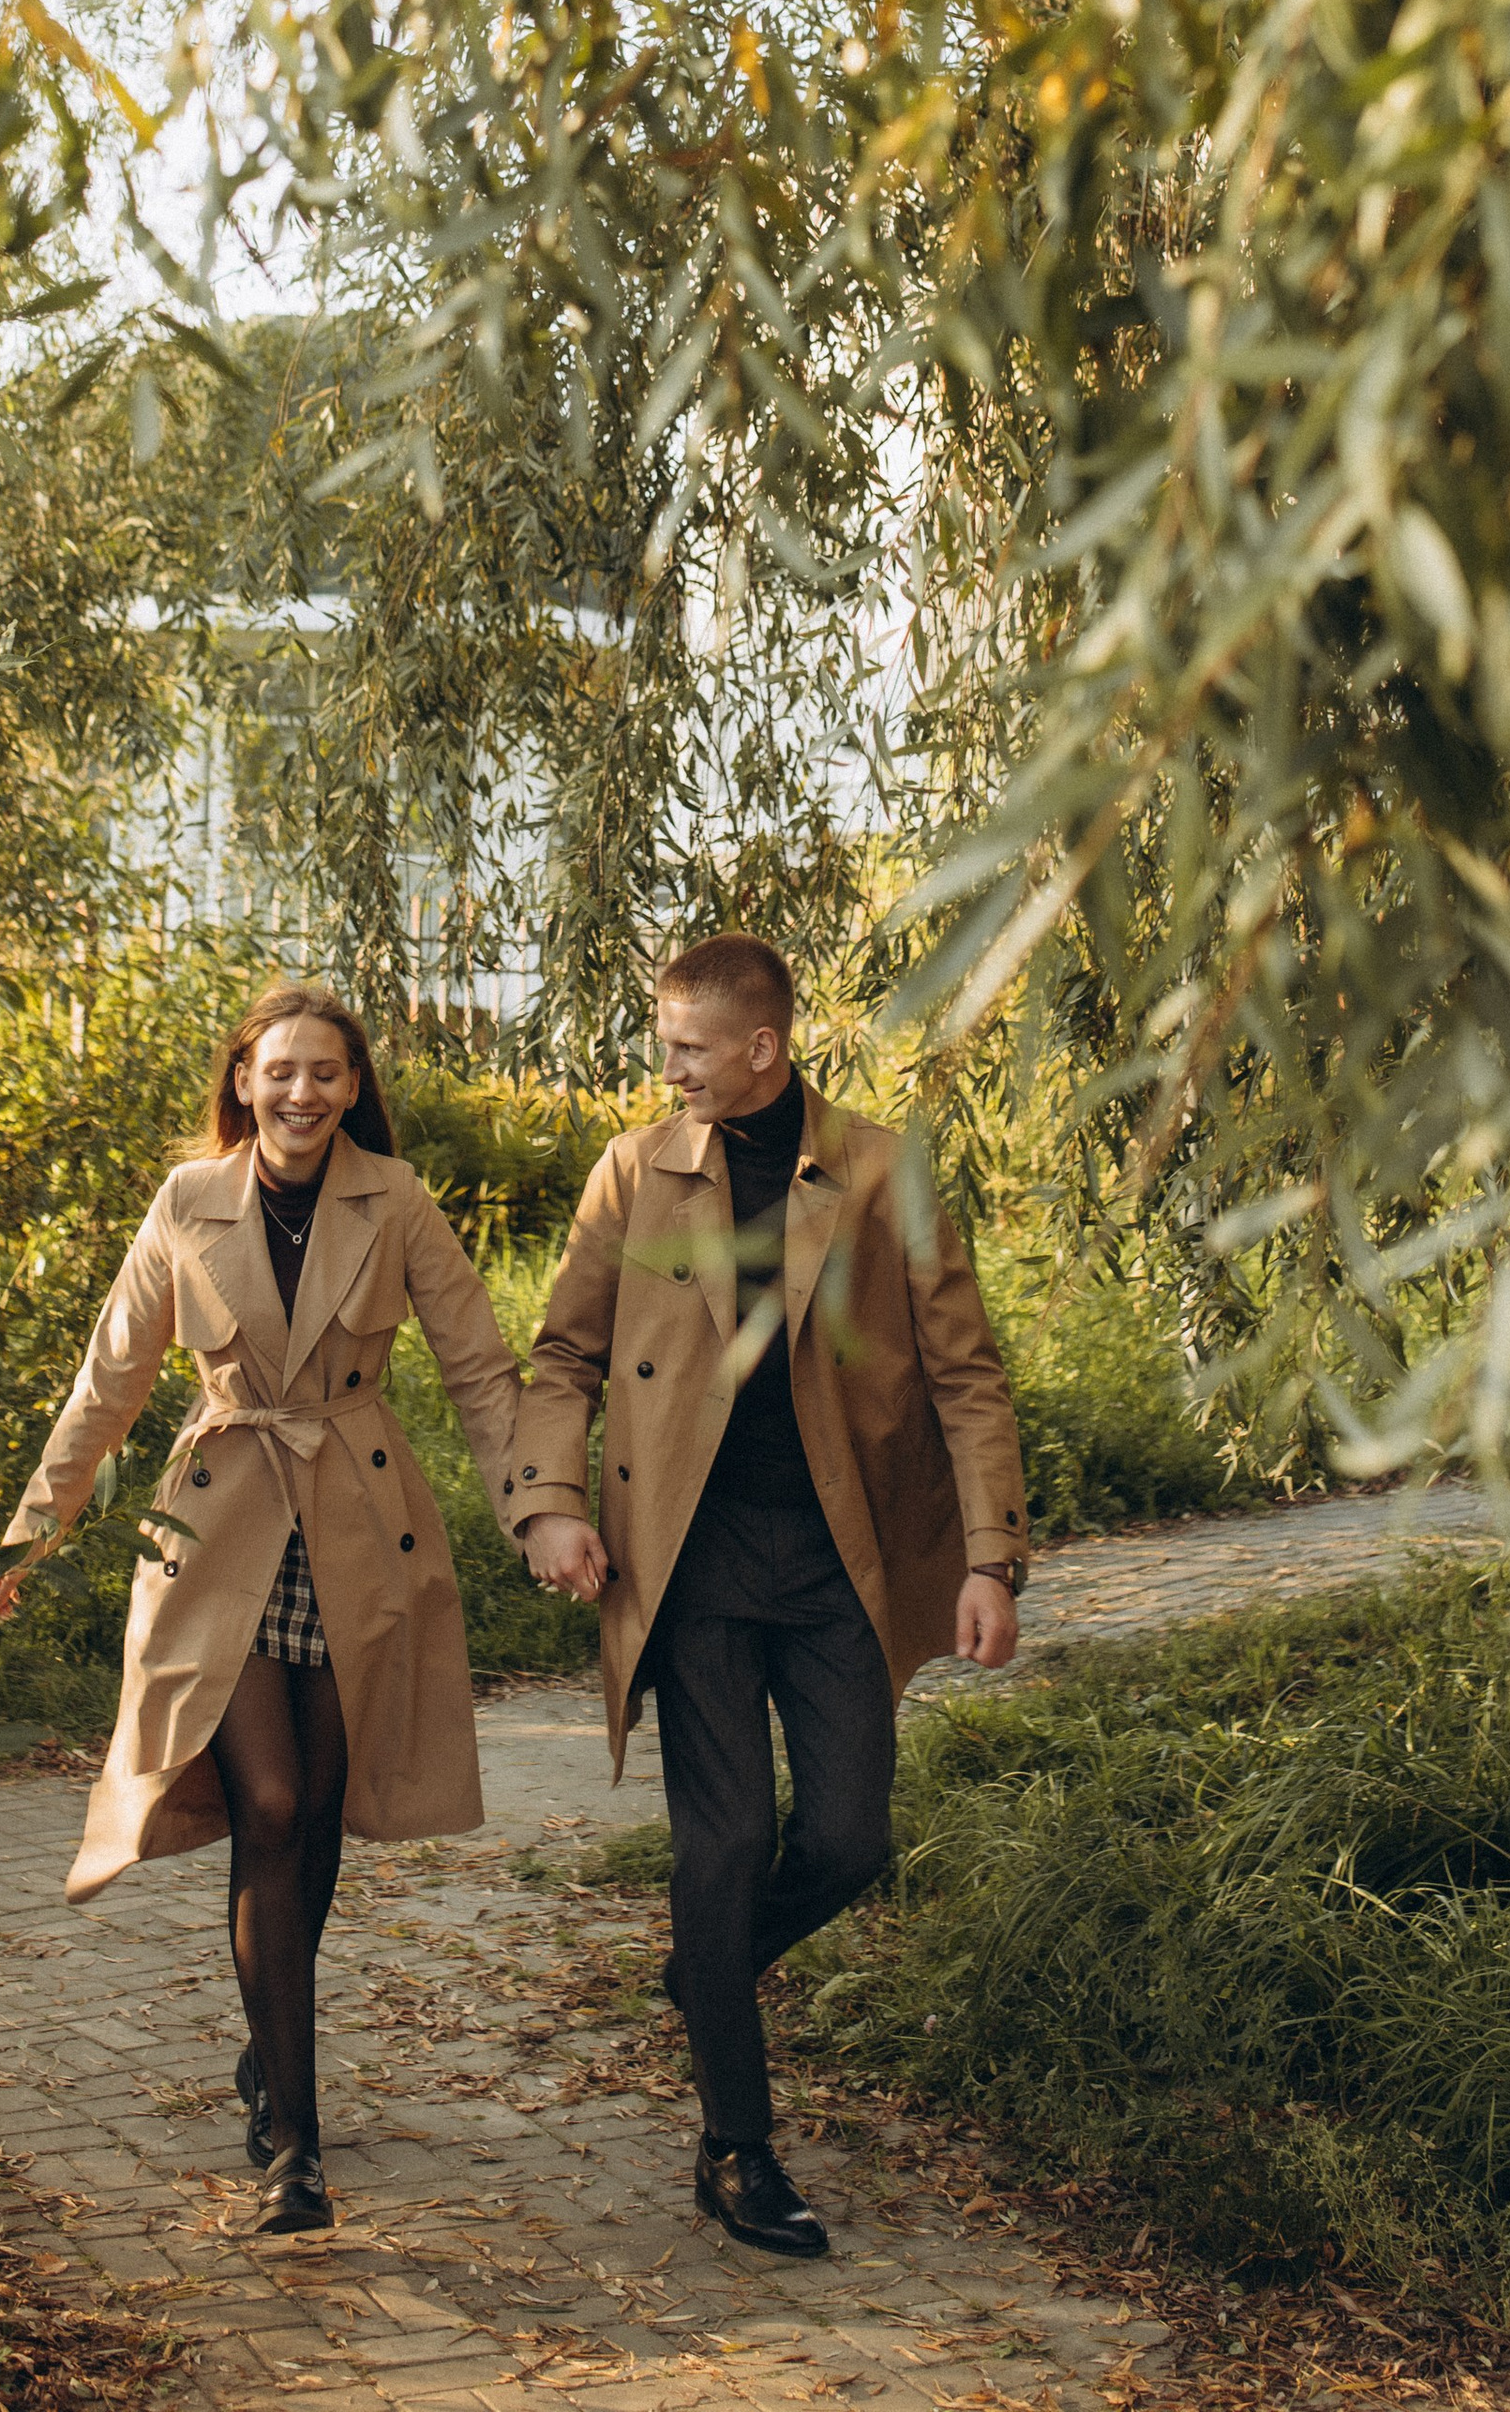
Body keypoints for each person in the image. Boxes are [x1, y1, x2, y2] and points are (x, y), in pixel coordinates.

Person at [0, 980, 520, 2239]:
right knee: (266, 1804)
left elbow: (479, 1364)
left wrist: (536, 1509)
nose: (302, 1094)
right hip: (218, 1532)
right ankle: (294, 2142)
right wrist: (28, 1534)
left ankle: (274, 2048)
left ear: (352, 1087)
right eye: (281, 1071)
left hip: (355, 1526)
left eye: (326, 1073)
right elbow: (108, 1380)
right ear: (243, 1080)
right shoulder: (186, 1201)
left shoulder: (398, 1200)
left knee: (315, 1816)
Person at [513, 931, 1028, 2259]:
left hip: (838, 1562)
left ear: (764, 1046)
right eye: (662, 1043)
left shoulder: (877, 1170)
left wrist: (990, 1557)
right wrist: (552, 1502)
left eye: (688, 1046)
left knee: (852, 1839)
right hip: (686, 1560)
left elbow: (966, 1372)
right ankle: (736, 2147)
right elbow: (565, 1348)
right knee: (723, 1846)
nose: (666, 1066)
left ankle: (710, 1968)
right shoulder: (635, 1171)